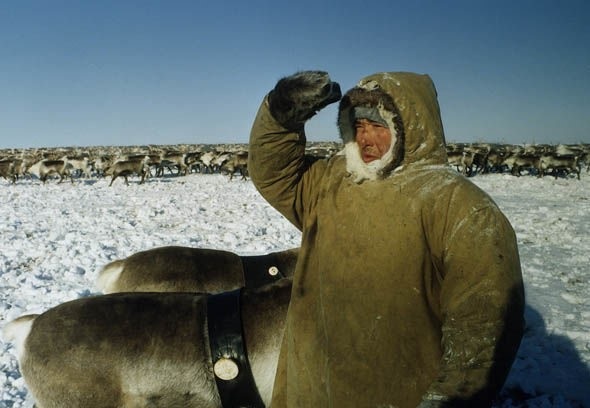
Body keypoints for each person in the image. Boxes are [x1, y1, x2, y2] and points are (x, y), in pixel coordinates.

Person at [248, 71, 525, 407]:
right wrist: (279, 114)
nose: (365, 138)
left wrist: (452, 397)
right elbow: (274, 173)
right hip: (312, 391)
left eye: (378, 126)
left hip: (400, 393)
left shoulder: (458, 205)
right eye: (358, 126)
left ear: (408, 128)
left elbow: (484, 318)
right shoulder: (330, 182)